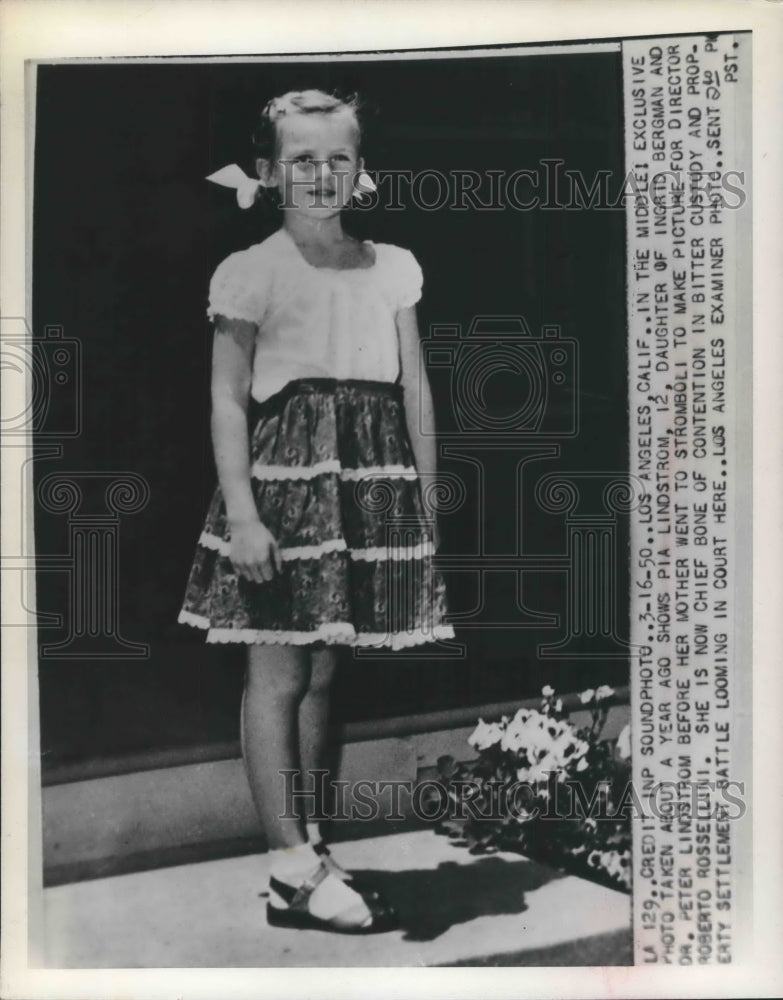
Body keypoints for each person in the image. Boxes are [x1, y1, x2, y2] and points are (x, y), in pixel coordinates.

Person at [178, 89, 454, 933]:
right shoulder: (251, 270)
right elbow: (228, 401)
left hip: (368, 485)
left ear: (361, 168)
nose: (323, 173)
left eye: (339, 157)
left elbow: (413, 391)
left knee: (326, 671)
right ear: (266, 172)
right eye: (302, 159)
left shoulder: (393, 265)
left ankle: (308, 846)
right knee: (280, 672)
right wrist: (246, 515)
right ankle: (287, 861)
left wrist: (424, 505)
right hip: (284, 488)